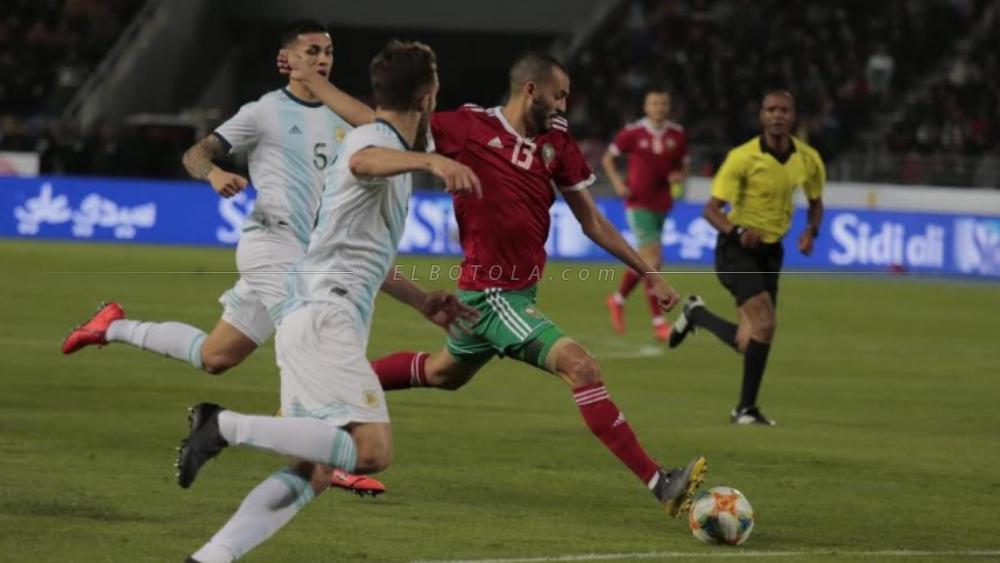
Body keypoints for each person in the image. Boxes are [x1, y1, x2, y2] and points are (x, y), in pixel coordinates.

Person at [281, 51, 707, 517]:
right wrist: (315, 84)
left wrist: (648, 271)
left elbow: (592, 221)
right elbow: (376, 123)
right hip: (492, 293)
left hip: (515, 292)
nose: (564, 106)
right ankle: (658, 480)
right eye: (558, 95)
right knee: (581, 368)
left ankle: (325, 393)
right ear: (531, 90)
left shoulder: (557, 141)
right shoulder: (467, 128)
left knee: (443, 374)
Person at [177, 40, 481, 563]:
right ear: (429, 98)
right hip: (325, 313)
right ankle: (222, 425)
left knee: (312, 469)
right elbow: (365, 160)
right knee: (373, 450)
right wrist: (430, 159)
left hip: (315, 308)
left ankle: (211, 556)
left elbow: (365, 251)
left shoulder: (378, 133)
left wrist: (421, 300)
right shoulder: (374, 142)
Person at [59, 19, 384, 495]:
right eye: (312, 51)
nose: (322, 60)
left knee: (216, 356)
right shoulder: (264, 112)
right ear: (287, 58)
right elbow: (195, 153)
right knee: (307, 335)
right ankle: (320, 454)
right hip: (271, 244)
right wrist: (213, 174)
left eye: (328, 52)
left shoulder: (343, 115)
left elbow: (376, 128)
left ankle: (111, 325)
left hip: (310, 252)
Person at [668, 90, 826, 426]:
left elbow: (816, 202)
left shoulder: (809, 159)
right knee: (766, 324)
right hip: (736, 249)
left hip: (771, 252)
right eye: (771, 110)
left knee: (748, 339)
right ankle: (745, 409)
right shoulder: (742, 157)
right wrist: (738, 233)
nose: (777, 115)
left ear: (793, 115)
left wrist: (811, 231)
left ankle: (697, 314)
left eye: (784, 109)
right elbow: (711, 211)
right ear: (762, 116)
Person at [602, 88, 689, 342]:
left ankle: (617, 300)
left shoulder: (677, 135)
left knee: (649, 262)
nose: (658, 107)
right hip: (638, 203)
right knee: (652, 261)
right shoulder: (632, 133)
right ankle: (658, 321)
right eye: (654, 103)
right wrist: (618, 183)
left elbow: (682, 165)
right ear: (645, 107)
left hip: (662, 204)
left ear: (668, 107)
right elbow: (608, 159)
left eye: (663, 103)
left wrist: (679, 176)